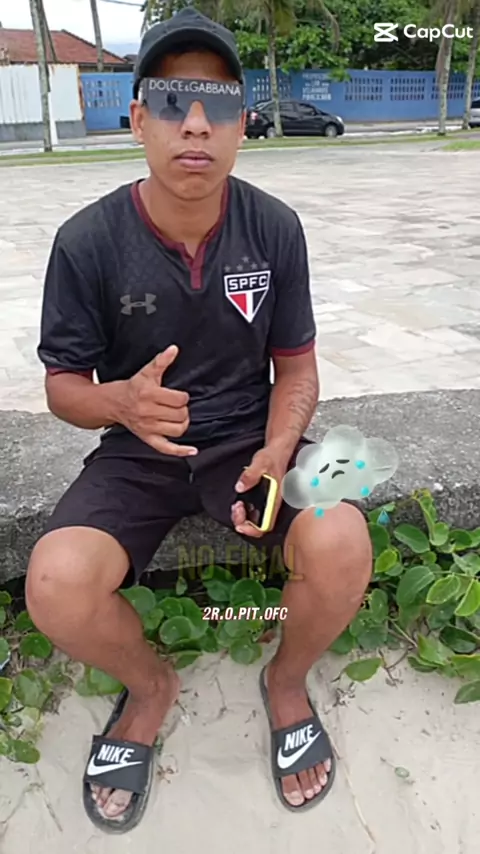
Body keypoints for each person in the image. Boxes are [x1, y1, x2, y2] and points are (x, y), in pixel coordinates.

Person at [27, 6, 372, 834]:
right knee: (57, 582)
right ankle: (151, 689)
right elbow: (63, 387)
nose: (195, 123)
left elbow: (297, 368)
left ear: (242, 125)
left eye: (217, 104)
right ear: (137, 118)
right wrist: (119, 401)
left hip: (251, 441)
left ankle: (285, 682)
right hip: (137, 451)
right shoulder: (87, 241)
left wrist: (279, 448)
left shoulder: (274, 228)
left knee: (342, 534)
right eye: (171, 101)